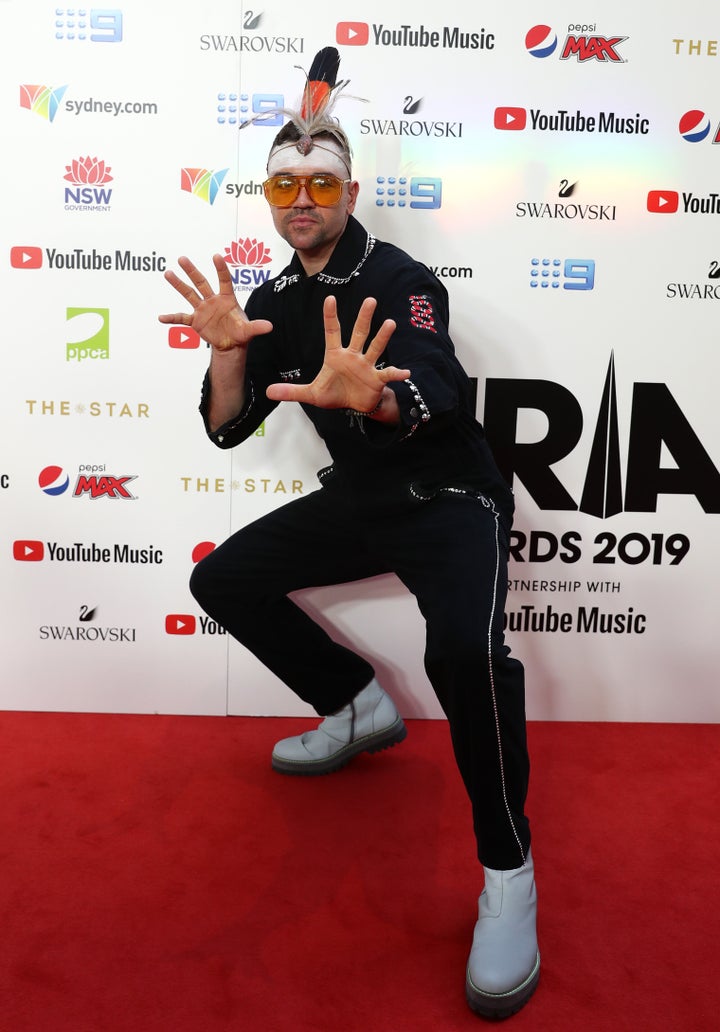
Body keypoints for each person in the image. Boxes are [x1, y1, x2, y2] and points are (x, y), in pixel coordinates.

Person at [160, 51, 540, 1020]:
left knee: (462, 652)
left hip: (452, 492)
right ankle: (358, 706)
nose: (300, 198)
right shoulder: (275, 300)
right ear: (270, 195)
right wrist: (226, 353)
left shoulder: (400, 278)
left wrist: (374, 394)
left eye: (319, 183)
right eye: (283, 183)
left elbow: (437, 387)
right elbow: (228, 427)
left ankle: (509, 872)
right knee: (225, 582)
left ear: (348, 191)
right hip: (365, 497)